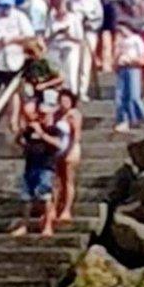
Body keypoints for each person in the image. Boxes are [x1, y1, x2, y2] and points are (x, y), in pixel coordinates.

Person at [12, 97, 64, 238]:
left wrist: (42, 133)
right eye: (40, 114)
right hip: (30, 166)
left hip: (46, 167)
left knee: (45, 197)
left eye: (45, 114)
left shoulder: (55, 130)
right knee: (26, 198)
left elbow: (58, 144)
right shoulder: (31, 129)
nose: (43, 117)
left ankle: (47, 226)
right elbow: (20, 142)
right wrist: (21, 132)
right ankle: (24, 225)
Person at [69, 0, 103, 101]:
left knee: (86, 62)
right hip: (74, 34)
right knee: (74, 61)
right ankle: (72, 89)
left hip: (89, 33)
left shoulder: (94, 1)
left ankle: (82, 90)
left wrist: (89, 23)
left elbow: (99, 19)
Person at [45, 0, 85, 98]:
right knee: (57, 75)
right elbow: (47, 38)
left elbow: (80, 39)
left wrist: (68, 36)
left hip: (71, 49)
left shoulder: (74, 19)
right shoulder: (51, 18)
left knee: (71, 75)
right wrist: (56, 33)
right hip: (55, 49)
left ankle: (72, 96)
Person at [112, 23, 144, 132]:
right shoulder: (120, 42)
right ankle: (123, 120)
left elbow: (143, 59)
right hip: (122, 69)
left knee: (133, 95)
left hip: (133, 68)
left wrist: (131, 60)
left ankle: (139, 117)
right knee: (120, 96)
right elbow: (115, 58)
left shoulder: (137, 39)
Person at [56, 90, 82, 222]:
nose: (63, 103)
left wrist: (70, 150)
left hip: (70, 149)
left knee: (68, 180)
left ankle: (67, 209)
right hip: (59, 150)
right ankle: (56, 208)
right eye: (61, 100)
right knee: (58, 181)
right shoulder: (57, 115)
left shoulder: (73, 115)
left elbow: (76, 135)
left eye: (66, 100)